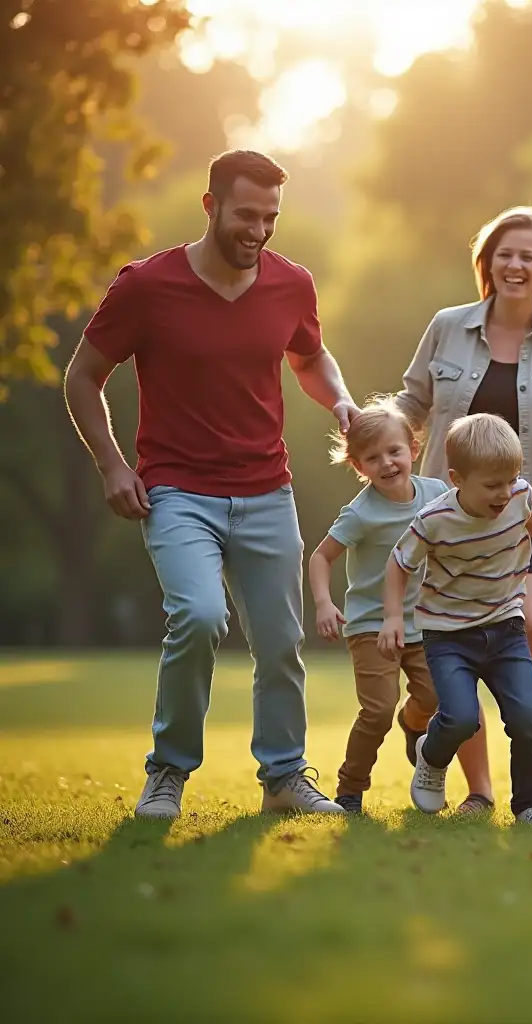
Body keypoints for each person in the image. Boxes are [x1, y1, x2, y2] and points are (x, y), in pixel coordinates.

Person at [63, 149, 361, 820]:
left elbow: (310, 357)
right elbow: (82, 376)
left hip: (267, 490)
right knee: (198, 616)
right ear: (211, 206)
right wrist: (111, 464)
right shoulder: (146, 286)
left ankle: (283, 777)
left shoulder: (291, 284)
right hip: (176, 491)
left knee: (281, 643)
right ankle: (168, 771)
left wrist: (339, 400)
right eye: (246, 215)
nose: (259, 230)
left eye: (271, 217)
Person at [395, 206, 532, 816]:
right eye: (504, 254)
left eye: (527, 256)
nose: (515, 265)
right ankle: (480, 789)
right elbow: (411, 405)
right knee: (463, 641)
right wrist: (377, 445)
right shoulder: (448, 327)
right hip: (451, 517)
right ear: (487, 264)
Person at [378, 413, 532, 827]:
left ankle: (528, 805)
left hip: (505, 627)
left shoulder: (518, 495)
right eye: (493, 485)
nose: (504, 493)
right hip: (448, 635)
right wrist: (392, 617)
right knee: (460, 718)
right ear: (457, 479)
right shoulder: (434, 519)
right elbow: (398, 564)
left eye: (511, 480)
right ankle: (432, 754)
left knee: (528, 718)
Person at [308, 398, 449, 813]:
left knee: (438, 698)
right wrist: (323, 603)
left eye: (394, 451)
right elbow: (320, 557)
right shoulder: (360, 514)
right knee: (378, 711)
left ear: (413, 449)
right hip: (371, 626)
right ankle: (350, 789)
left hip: (424, 623)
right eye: (372, 458)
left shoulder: (437, 494)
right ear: (359, 466)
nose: (386, 463)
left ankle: (414, 723)